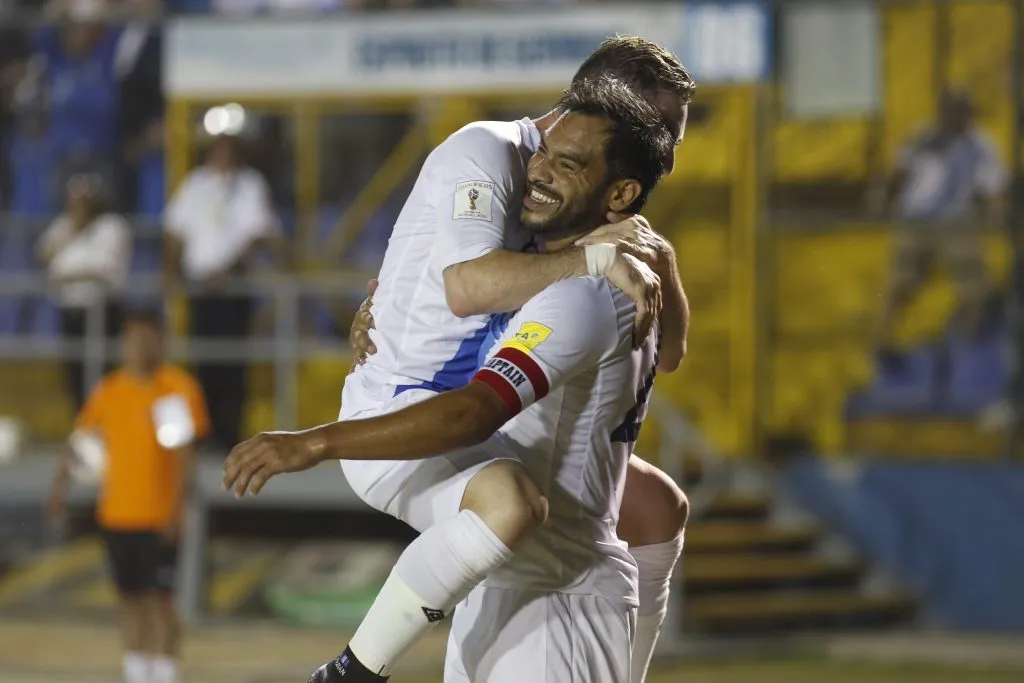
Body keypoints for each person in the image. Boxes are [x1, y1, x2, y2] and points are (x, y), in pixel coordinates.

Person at [223, 75, 672, 683]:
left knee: (513, 502)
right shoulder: (574, 266)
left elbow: (474, 407)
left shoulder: (586, 293)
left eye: (567, 164)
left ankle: (352, 672)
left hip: (557, 604)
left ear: (622, 192)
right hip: (503, 587)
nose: (537, 171)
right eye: (545, 151)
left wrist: (312, 443)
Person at [347, 35, 693, 683]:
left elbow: (669, 353)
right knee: (536, 506)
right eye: (663, 129)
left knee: (651, 506)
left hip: (546, 563)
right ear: (600, 108)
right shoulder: (503, 161)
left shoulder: (603, 227)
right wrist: (378, 306)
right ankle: (355, 666)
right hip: (435, 411)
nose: (669, 156)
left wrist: (655, 261)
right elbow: (463, 283)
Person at [47, 309, 211, 683]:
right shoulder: (110, 390)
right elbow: (80, 440)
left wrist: (175, 511)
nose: (135, 347)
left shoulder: (174, 390)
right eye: (129, 339)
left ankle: (166, 674)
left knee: (161, 602)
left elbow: (185, 458)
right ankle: (137, 674)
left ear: (160, 341)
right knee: (130, 600)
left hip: (157, 517)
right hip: (117, 515)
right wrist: (59, 487)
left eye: (143, 338)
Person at [871, 88, 1008, 355]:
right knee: (901, 283)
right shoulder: (922, 136)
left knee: (975, 284)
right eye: (950, 111)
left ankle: (966, 341)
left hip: (954, 221)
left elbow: (993, 185)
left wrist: (997, 213)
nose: (955, 117)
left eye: (961, 111)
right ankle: (882, 339)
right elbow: (898, 170)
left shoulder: (981, 145)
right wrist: (881, 195)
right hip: (915, 219)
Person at [163, 130, 277, 449]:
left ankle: (230, 434)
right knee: (204, 361)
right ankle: (206, 432)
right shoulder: (195, 184)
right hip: (201, 289)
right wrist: (170, 272)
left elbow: (259, 233)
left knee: (235, 364)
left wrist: (226, 270)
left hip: (235, 288)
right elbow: (174, 231)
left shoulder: (251, 184)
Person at [36, 171, 130, 409]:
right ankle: (83, 425)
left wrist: (70, 275)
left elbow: (104, 271)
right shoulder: (63, 225)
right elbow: (43, 256)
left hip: (102, 310)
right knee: (74, 373)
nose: (78, 203)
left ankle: (104, 425)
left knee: (102, 374)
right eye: (74, 198)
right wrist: (73, 230)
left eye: (84, 198)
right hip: (70, 310)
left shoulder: (112, 227)